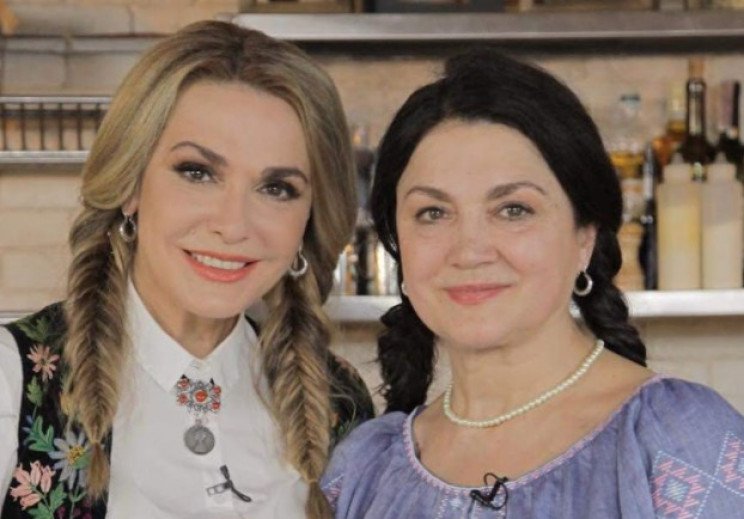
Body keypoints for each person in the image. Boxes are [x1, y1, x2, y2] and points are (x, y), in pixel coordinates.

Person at [321, 49, 744, 518]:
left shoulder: (676, 442)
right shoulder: (364, 468)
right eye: (433, 212)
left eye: (513, 209)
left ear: (585, 236)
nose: (469, 250)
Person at [0, 20, 373, 519]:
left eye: (277, 188)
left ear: (309, 218)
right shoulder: (11, 381)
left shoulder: (341, 403)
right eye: (197, 172)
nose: (233, 225)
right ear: (131, 185)